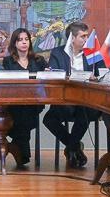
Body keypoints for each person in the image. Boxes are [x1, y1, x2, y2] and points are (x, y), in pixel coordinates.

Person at [43, 21, 105, 169]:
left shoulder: (93, 52)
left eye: (87, 36)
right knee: (48, 119)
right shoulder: (58, 53)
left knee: (83, 113)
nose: (86, 39)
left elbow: (104, 75)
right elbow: (55, 75)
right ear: (72, 38)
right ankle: (75, 147)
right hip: (65, 101)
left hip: (89, 102)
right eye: (83, 36)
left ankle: (71, 149)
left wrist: (95, 78)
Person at [1, 27, 46, 167]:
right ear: (14, 43)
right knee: (21, 111)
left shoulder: (39, 60)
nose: (24, 42)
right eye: (20, 40)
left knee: (26, 110)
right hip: (14, 101)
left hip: (34, 101)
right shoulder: (8, 61)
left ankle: (15, 147)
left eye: (26, 39)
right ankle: (22, 154)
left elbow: (46, 77)